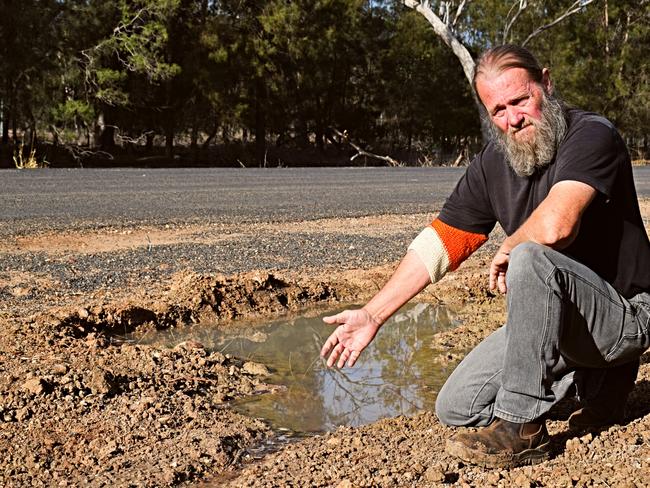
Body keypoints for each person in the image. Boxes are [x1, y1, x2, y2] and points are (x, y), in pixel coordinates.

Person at [320, 44, 650, 469]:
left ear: (546, 84)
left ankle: (523, 428)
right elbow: (440, 244)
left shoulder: (591, 134)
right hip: (560, 321)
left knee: (532, 256)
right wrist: (373, 315)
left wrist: (511, 245)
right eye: (498, 110)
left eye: (520, 100)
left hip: (624, 314)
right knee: (456, 407)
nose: (512, 119)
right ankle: (589, 381)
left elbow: (557, 225)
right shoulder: (494, 163)